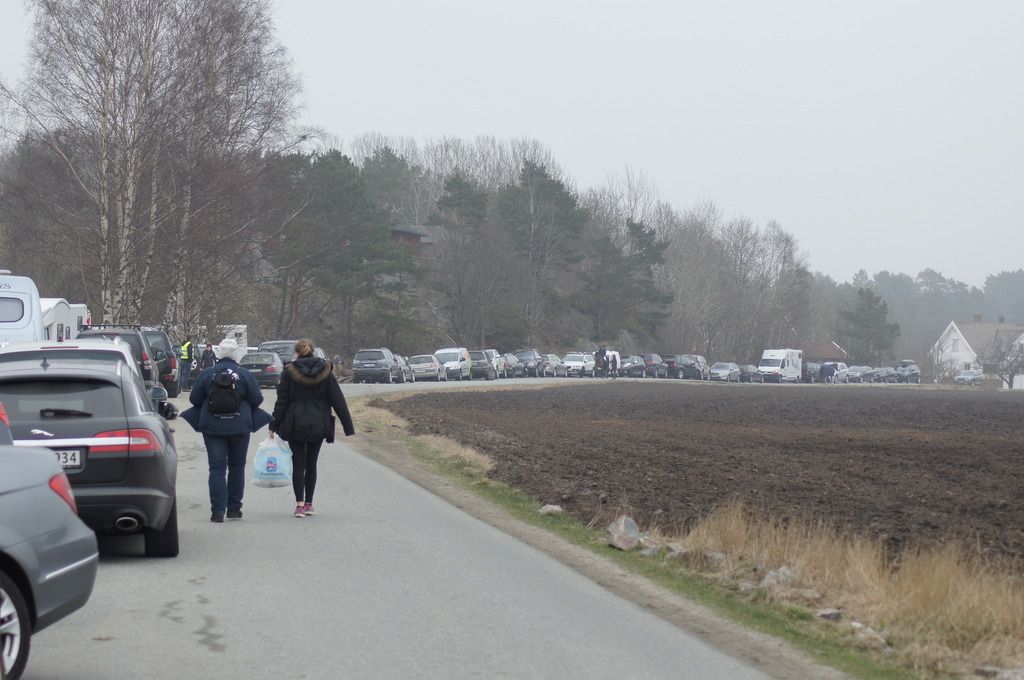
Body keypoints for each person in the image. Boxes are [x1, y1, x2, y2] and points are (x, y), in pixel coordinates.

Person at [181, 337, 270, 522]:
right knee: (237, 466)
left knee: (216, 468)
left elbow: (194, 399)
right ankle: (234, 508)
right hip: (240, 426)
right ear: (236, 354)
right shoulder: (244, 374)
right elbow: (257, 399)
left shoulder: (208, 374)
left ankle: (217, 511)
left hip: (212, 427)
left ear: (219, 353)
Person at [270, 339, 355, 518]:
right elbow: (337, 399)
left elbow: (282, 401)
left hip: (295, 423)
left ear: (296, 353)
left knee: (298, 463)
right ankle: (309, 504)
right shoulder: (326, 371)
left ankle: (299, 505)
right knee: (311, 463)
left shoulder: (289, 372)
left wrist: (274, 425)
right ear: (313, 351)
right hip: (319, 422)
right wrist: (348, 426)